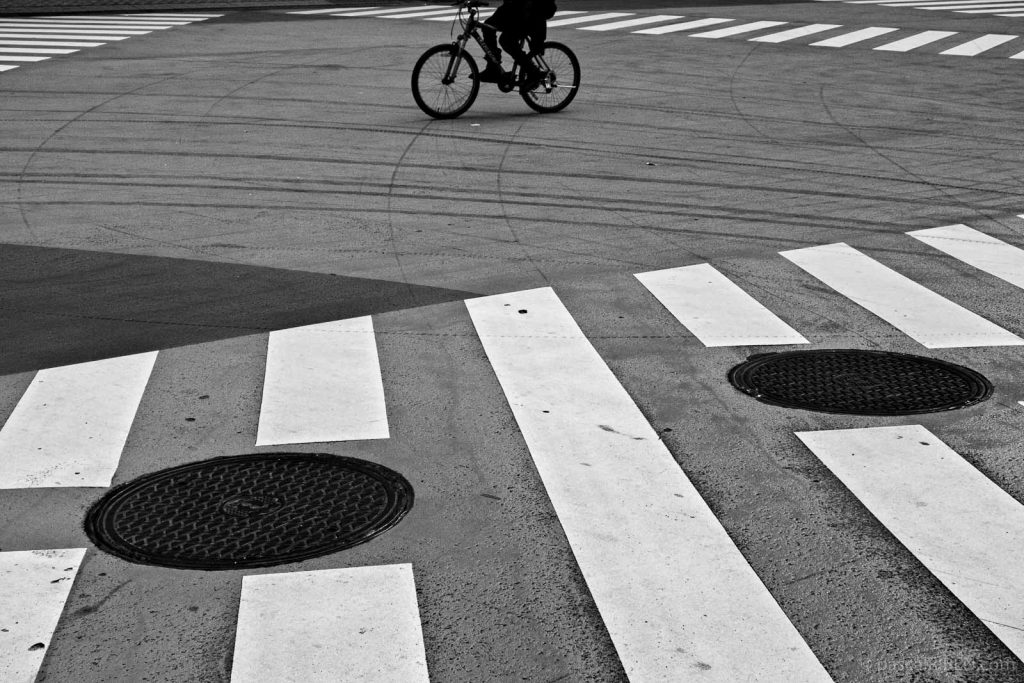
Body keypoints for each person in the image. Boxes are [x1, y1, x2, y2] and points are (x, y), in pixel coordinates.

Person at [478, 0, 557, 86]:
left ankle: (533, 71)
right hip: (515, 9)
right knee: (488, 26)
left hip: (529, 13)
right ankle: (493, 66)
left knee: (506, 40)